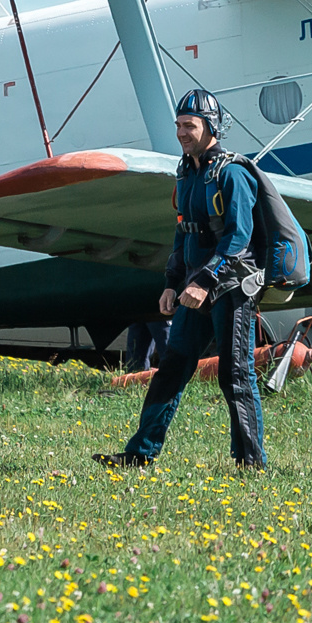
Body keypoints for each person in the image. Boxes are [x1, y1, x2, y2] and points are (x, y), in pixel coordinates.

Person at [96, 88, 269, 472]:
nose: (181, 132)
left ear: (211, 128)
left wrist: (204, 280)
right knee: (172, 366)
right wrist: (172, 283)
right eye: (178, 125)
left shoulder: (233, 173)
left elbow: (238, 236)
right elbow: (184, 232)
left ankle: (251, 463)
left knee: (234, 374)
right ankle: (139, 454)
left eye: (189, 125)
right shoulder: (186, 170)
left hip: (231, 287)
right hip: (194, 288)